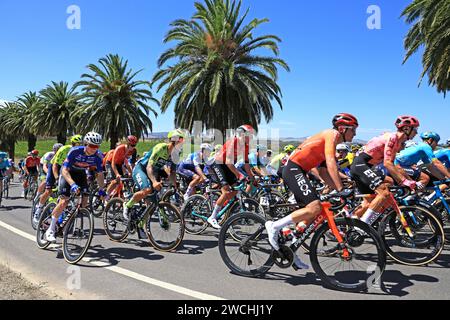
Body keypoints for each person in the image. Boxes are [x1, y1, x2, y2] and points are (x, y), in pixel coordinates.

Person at [265, 113, 359, 270]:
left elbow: (323, 172)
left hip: (300, 171)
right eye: (353, 129)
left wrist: (339, 189)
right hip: (294, 168)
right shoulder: (332, 134)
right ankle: (274, 226)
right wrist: (341, 189)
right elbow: (330, 163)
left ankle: (291, 251)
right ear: (342, 128)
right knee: (314, 207)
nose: (355, 134)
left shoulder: (331, 142)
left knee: (313, 212)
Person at [351, 116, 420, 224]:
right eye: (415, 129)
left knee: (385, 187)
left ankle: (351, 220)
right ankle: (364, 225)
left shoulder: (397, 142)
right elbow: (387, 163)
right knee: (384, 193)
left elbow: (394, 165)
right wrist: (404, 181)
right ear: (407, 129)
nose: (416, 133)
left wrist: (406, 180)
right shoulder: (393, 138)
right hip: (361, 165)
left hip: (367, 166)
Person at [45, 132, 106, 242]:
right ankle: (50, 229)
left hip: (81, 174)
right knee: (64, 201)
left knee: (84, 201)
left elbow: (100, 174)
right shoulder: (75, 151)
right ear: (85, 144)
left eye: (97, 146)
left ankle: (69, 221)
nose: (94, 149)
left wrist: (102, 190)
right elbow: (64, 170)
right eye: (92, 146)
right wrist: (72, 184)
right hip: (67, 173)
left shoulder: (97, 156)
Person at [125, 129, 186, 221]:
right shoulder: (161, 148)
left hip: (153, 172)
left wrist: (174, 184)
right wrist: (154, 182)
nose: (181, 143)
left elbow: (172, 172)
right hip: (141, 169)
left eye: (182, 141)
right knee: (147, 189)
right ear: (173, 141)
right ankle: (127, 205)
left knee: (151, 204)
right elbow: (149, 166)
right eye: (180, 141)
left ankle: (141, 225)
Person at [209, 125, 257, 229]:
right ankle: (212, 217)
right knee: (226, 191)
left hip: (228, 166)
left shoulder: (246, 145)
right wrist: (239, 175)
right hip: (219, 164)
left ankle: (223, 208)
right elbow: (228, 162)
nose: (251, 138)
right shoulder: (233, 141)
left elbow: (246, 164)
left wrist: (251, 177)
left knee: (235, 191)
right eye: (249, 135)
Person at [33, 136, 83, 222]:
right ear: (72, 144)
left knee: (68, 193)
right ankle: (38, 210)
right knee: (49, 190)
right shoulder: (64, 149)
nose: (79, 146)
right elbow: (55, 165)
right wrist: (56, 178)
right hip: (54, 167)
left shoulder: (82, 152)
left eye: (81, 144)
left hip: (67, 169)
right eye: (77, 144)